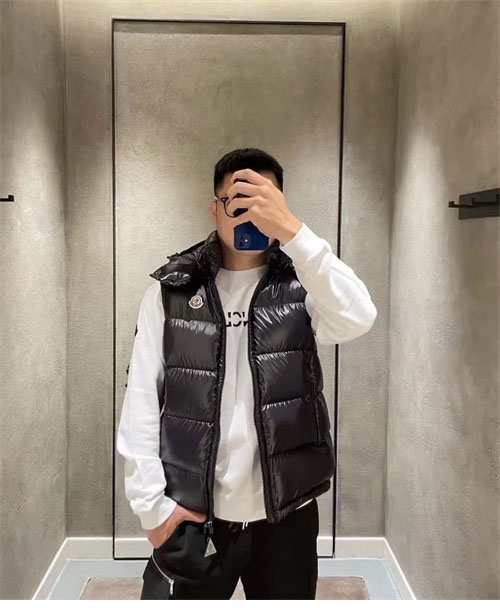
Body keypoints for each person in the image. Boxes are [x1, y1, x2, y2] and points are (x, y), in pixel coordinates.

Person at [117, 148, 377, 600]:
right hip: (194, 512)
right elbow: (141, 398)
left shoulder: (303, 282)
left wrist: (293, 231)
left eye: (264, 202)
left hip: (287, 513)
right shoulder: (173, 290)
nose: (250, 215)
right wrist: (152, 509)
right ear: (215, 209)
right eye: (238, 202)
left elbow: (359, 317)